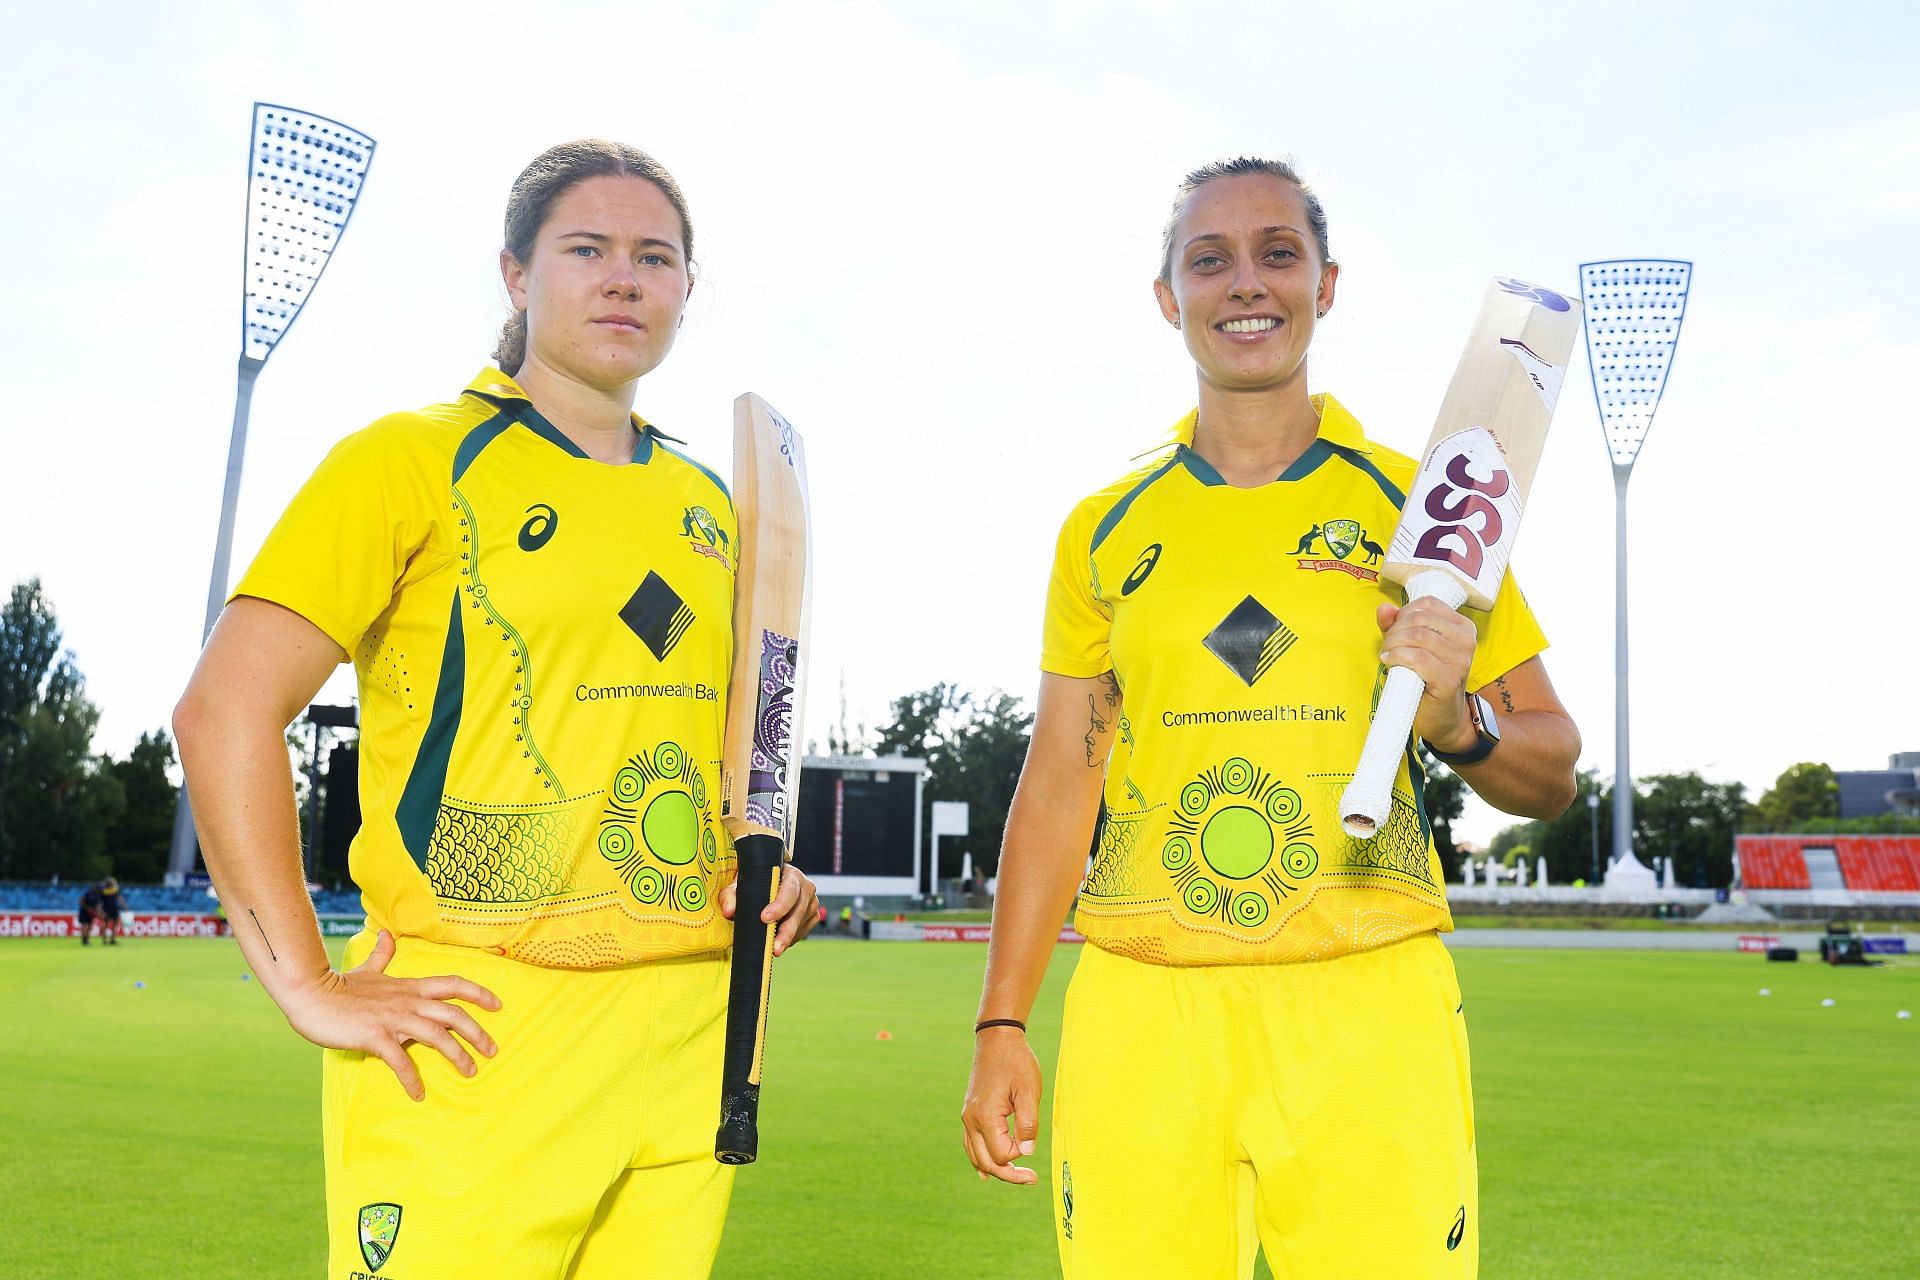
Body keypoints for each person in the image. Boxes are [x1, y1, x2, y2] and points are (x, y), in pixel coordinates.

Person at [175, 139, 819, 1279]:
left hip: (689, 1028)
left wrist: (757, 861)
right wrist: (306, 980)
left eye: (655, 257)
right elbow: (223, 709)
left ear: (684, 290)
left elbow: (710, 749)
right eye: (588, 249)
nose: (625, 278)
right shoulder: (412, 459)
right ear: (518, 276)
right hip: (479, 1021)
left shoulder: (716, 502)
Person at [960, 158, 1580, 1279]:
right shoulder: (1103, 529)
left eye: (1277, 253)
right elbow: (1060, 780)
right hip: (1146, 1002)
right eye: (1212, 259)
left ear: (1326, 283)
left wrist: (1459, 723)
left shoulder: (1428, 505)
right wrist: (1002, 1019)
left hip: (1365, 995)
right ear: (1170, 297)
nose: (1247, 283)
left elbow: (1554, 767)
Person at [77, 876, 126, 945]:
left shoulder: (106, 892)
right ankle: (87, 940)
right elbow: (84, 901)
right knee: (87, 925)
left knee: (90, 925)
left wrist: (98, 911)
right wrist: (97, 911)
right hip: (91, 910)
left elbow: (97, 904)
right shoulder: (97, 893)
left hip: (107, 909)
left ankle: (110, 939)